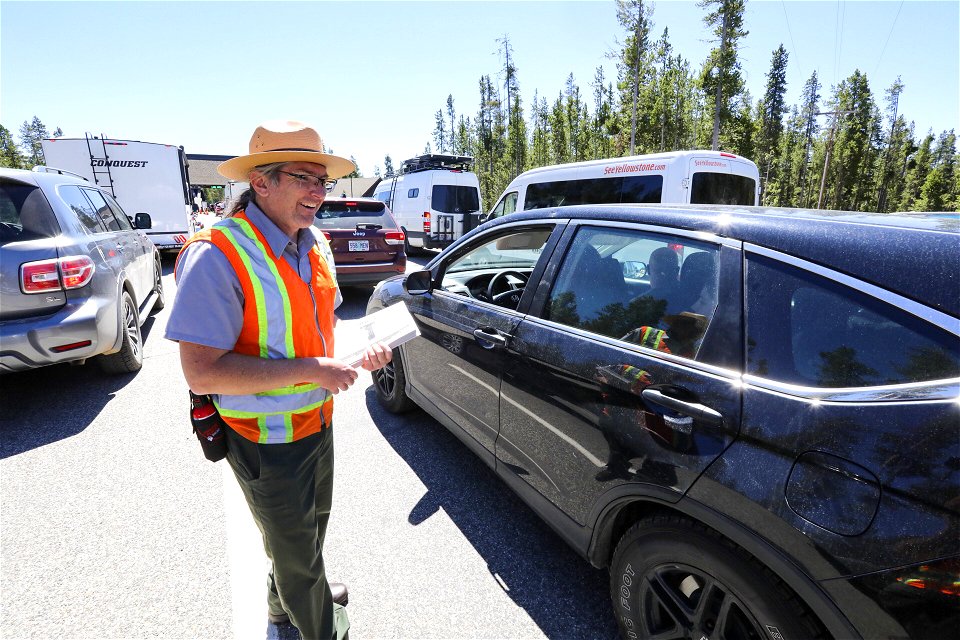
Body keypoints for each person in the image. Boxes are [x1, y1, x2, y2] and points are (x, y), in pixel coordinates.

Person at [164, 120, 391, 640]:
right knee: (299, 556)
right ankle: (322, 625)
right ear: (260, 183)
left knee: (306, 536)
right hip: (265, 440)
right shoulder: (216, 255)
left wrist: (362, 348)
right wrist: (313, 371)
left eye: (323, 180)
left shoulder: (313, 243)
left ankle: (283, 604)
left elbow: (322, 329)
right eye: (304, 178)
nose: (318, 191)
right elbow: (201, 370)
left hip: (318, 424)